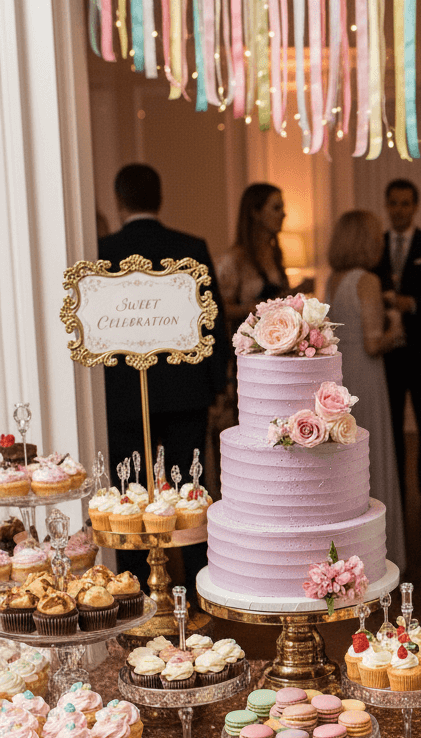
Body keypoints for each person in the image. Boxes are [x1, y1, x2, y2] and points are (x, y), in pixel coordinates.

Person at [99, 163, 227, 593]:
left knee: (128, 497)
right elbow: (213, 323)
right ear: (160, 197)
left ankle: (132, 587)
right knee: (190, 493)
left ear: (119, 201)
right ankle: (198, 588)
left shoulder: (102, 251)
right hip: (185, 393)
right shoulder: (190, 248)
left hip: (121, 398)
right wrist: (217, 386)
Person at [325, 211, 407, 571]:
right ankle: (381, 556)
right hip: (368, 377)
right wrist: (397, 329)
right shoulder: (368, 281)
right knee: (373, 457)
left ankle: (350, 553)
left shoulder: (333, 279)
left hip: (343, 379)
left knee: (349, 464)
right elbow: (374, 343)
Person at [372, 178, 421, 504]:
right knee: (390, 426)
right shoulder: (375, 245)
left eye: (405, 203)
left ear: (415, 206)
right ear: (387, 205)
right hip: (386, 353)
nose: (399, 210)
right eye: (393, 203)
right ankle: (396, 496)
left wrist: (411, 303)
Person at [216, 183, 291, 339]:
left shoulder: (275, 254)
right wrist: (252, 308)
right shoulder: (234, 258)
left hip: (277, 339)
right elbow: (220, 307)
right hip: (249, 343)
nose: (284, 214)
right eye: (276, 208)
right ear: (255, 213)